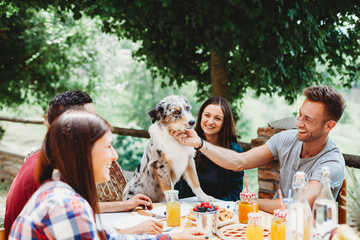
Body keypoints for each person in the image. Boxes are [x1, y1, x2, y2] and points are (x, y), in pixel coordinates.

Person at [9, 111, 206, 240]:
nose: (115, 155)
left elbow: (107, 237)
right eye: (108, 146)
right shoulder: (67, 205)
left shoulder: (59, 190)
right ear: (83, 152)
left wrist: (173, 237)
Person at [4, 90, 159, 239]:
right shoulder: (62, 199)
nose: (114, 155)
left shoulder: (52, 171)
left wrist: (124, 206)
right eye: (89, 120)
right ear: (73, 129)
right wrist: (132, 230)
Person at [171, 86, 346, 213]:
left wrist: (255, 202)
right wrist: (200, 144)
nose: (299, 123)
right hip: (275, 221)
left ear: (328, 126)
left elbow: (301, 204)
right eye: (299, 114)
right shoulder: (286, 139)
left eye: (308, 119)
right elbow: (239, 161)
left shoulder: (331, 164)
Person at [175, 96, 244, 201]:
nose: (210, 121)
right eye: (207, 115)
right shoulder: (186, 144)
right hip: (186, 212)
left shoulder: (235, 151)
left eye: (217, 118)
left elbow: (235, 194)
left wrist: (213, 207)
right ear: (201, 116)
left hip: (220, 212)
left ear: (225, 122)